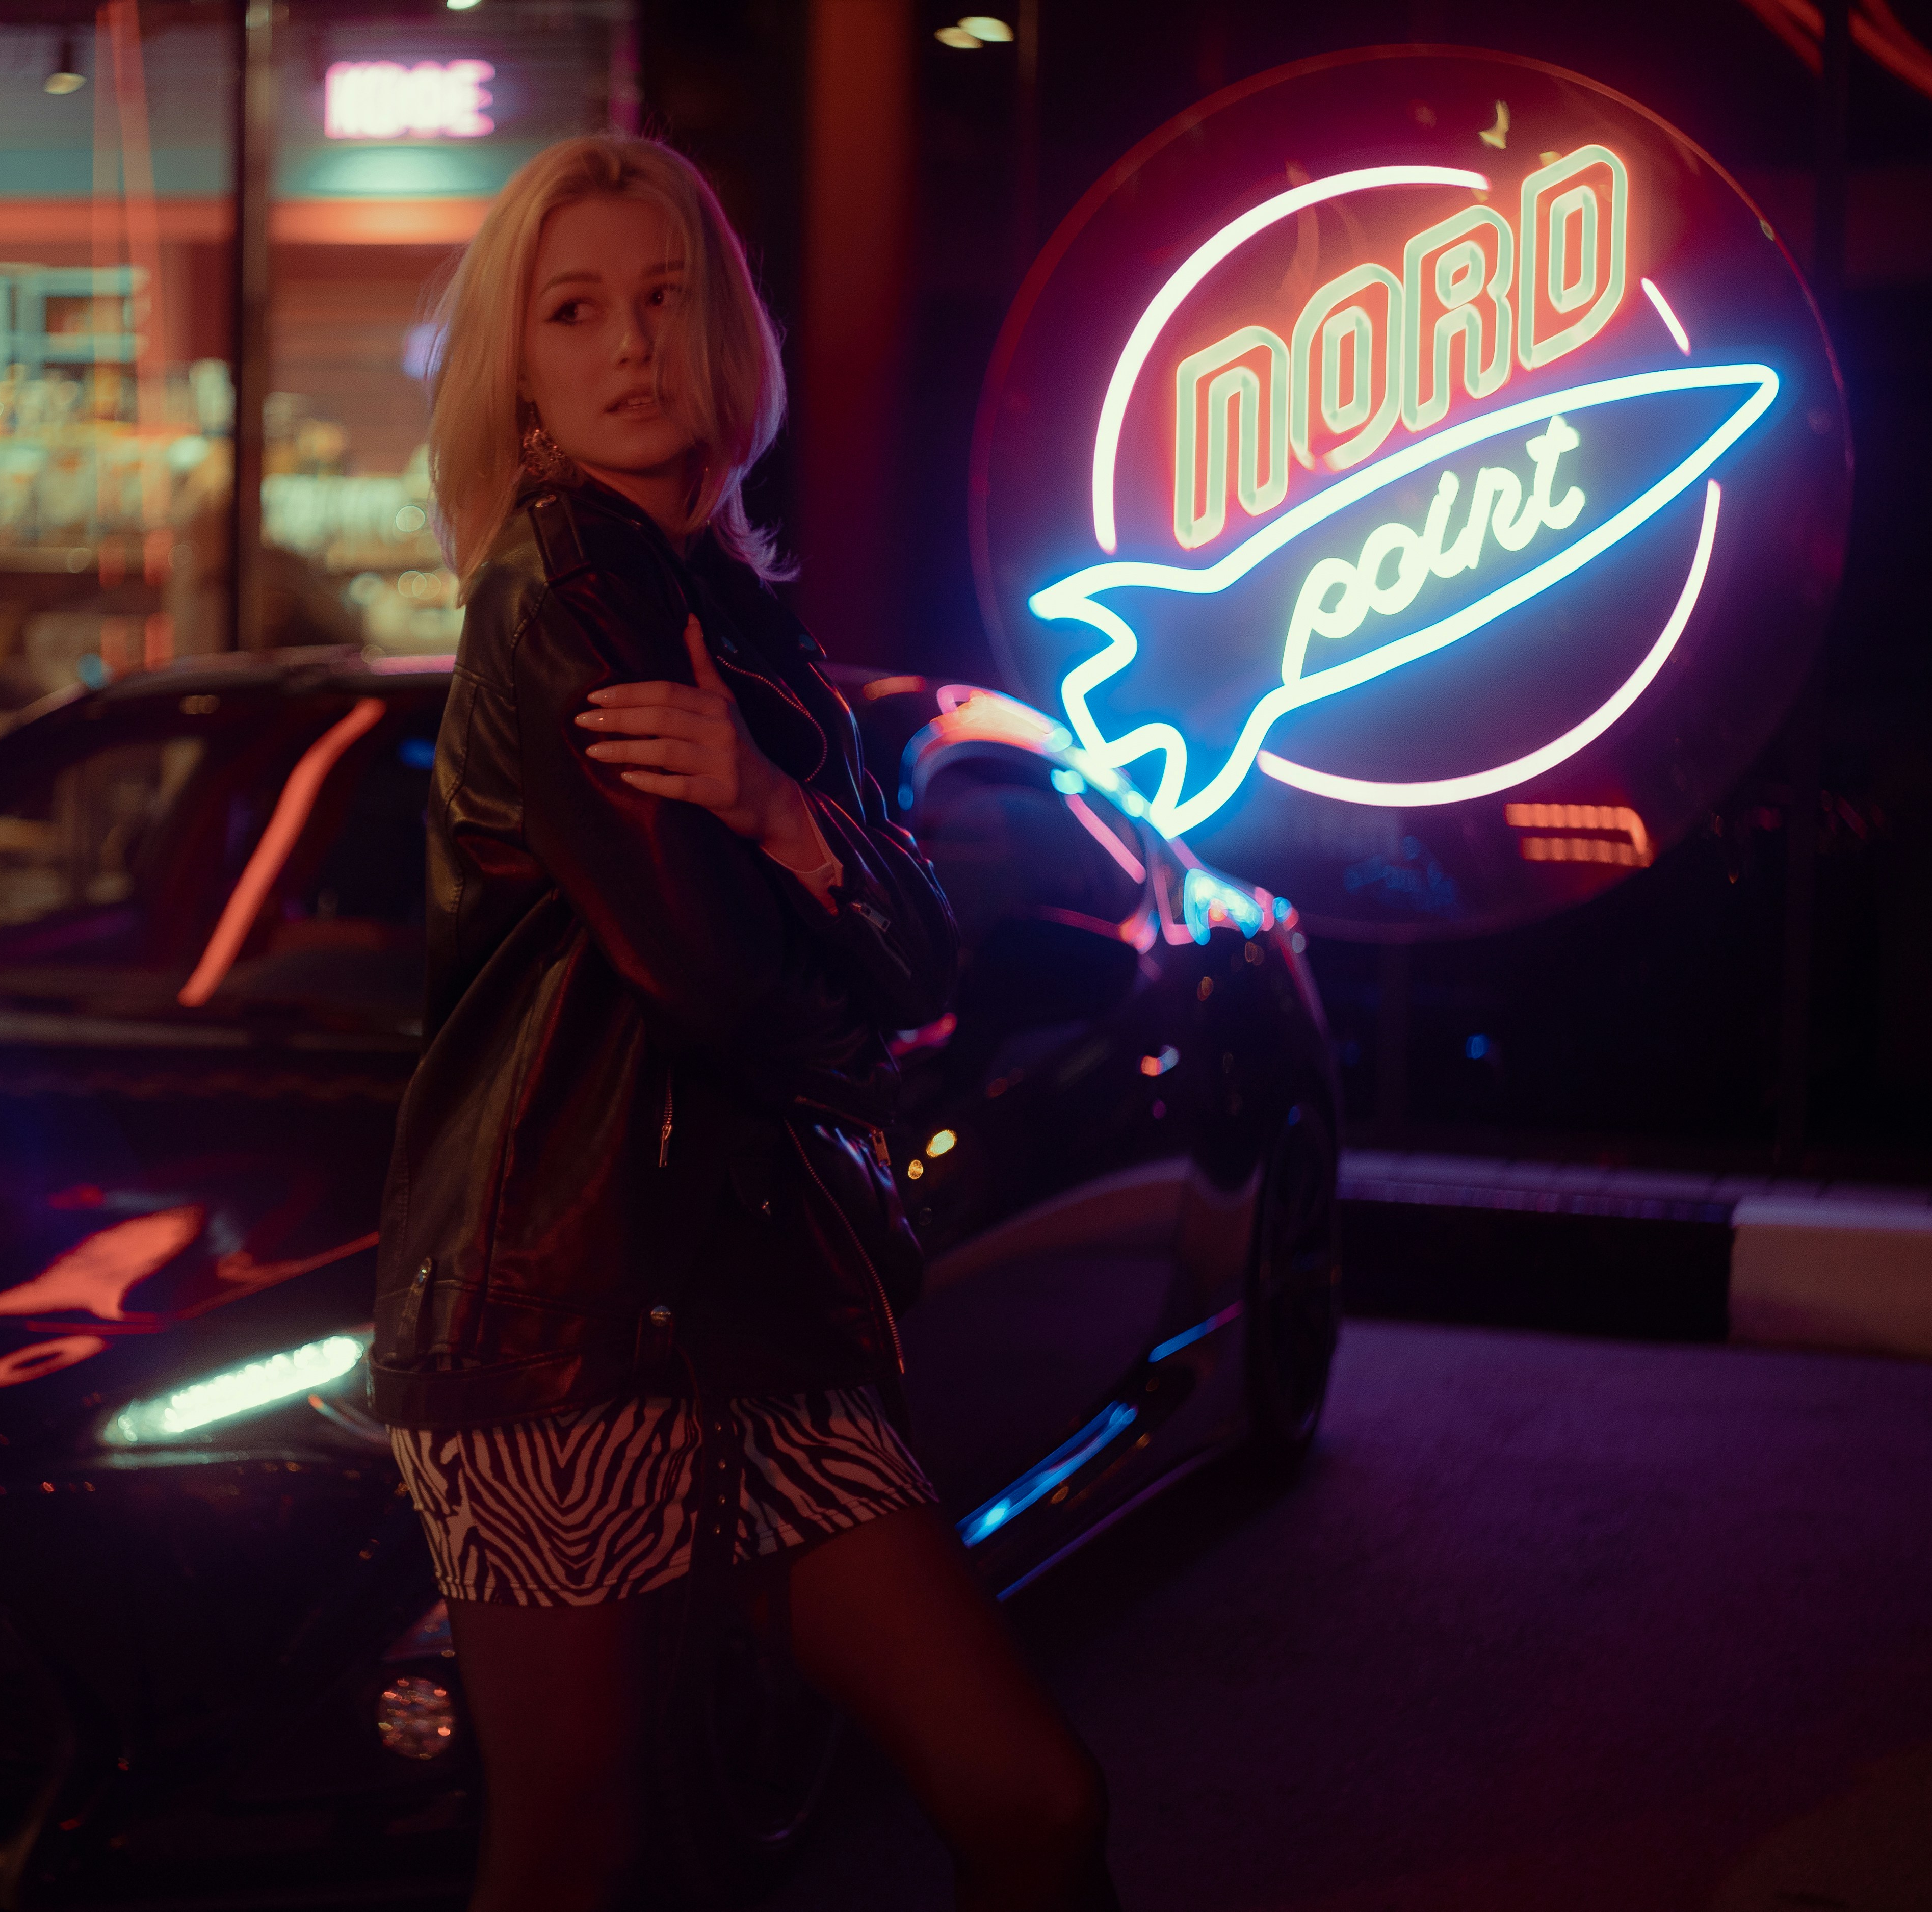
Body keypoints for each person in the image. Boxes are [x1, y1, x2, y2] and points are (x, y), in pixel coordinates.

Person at [371, 133, 1123, 1912]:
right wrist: (844, 1016)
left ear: (723, 337)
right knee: (579, 1847)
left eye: (663, 298)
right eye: (576, 312)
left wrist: (782, 812)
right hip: (559, 1317)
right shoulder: (566, 587)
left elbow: (925, 954)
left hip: (754, 1312)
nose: (630, 345)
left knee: (1033, 1800)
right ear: (524, 368)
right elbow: (713, 979)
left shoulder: (736, 613)